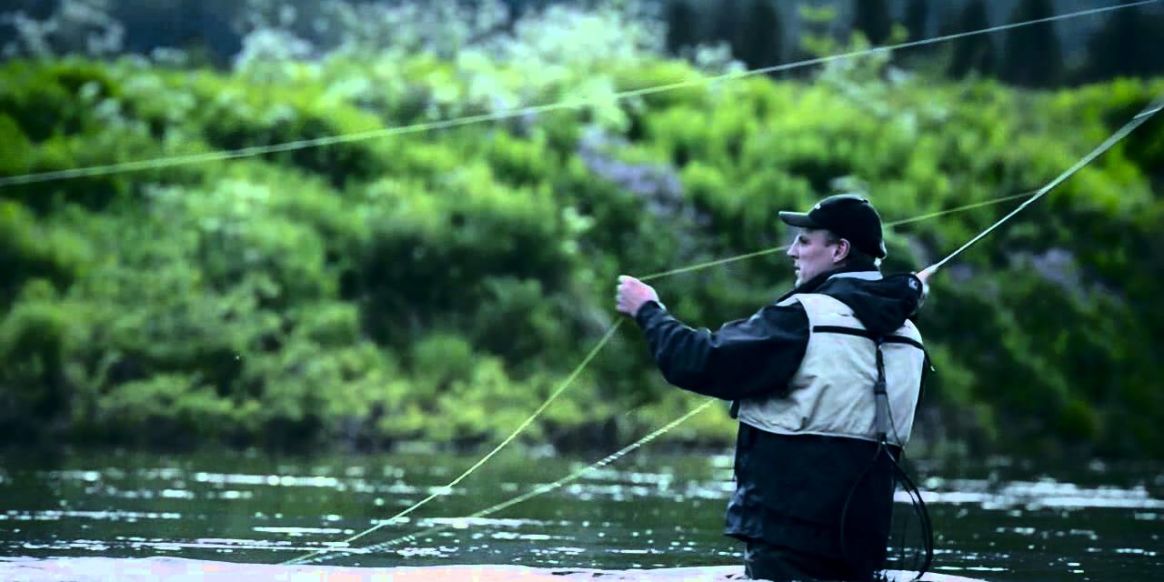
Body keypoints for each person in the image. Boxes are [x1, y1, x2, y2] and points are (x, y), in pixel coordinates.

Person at [616, 194, 931, 581]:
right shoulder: (909, 335)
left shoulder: (805, 316)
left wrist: (647, 310)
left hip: (789, 541)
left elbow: (698, 360)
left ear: (840, 250)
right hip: (866, 542)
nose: (791, 251)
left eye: (804, 240)